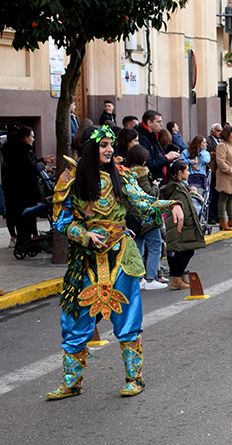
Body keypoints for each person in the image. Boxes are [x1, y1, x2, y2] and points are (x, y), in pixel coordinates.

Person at [46, 125, 183, 400]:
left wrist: (170, 204)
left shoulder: (121, 174)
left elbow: (143, 202)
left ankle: (135, 378)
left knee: (127, 317)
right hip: (85, 260)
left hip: (121, 255)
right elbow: (61, 220)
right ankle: (72, 383)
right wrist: (83, 235)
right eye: (103, 145)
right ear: (88, 149)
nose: (110, 150)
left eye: (111, 144)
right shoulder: (70, 179)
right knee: (74, 319)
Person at [1, 126, 55, 250]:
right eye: (32, 137)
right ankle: (23, 243)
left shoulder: (18, 150)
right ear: (25, 138)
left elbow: (30, 165)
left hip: (19, 190)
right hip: (22, 191)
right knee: (23, 217)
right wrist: (43, 163)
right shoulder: (21, 150)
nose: (33, 139)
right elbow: (31, 168)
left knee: (24, 216)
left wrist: (42, 161)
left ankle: (25, 242)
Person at [123, 145, 167, 290]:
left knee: (138, 249)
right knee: (155, 247)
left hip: (132, 219)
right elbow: (150, 195)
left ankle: (140, 278)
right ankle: (150, 279)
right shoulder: (142, 174)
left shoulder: (125, 174)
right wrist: (155, 186)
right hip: (146, 217)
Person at [160, 160, 206, 290]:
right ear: (180, 173)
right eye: (187, 170)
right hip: (182, 226)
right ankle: (176, 279)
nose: (189, 173)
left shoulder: (178, 186)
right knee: (187, 251)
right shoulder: (177, 189)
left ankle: (179, 277)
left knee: (183, 252)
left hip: (181, 226)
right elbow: (184, 209)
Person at [135, 110, 179, 181]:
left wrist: (169, 159)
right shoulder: (141, 138)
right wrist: (166, 158)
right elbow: (148, 164)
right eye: (158, 122)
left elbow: (157, 157)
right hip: (152, 183)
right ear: (149, 123)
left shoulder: (153, 135)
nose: (161, 124)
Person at [215, 125, 232, 231]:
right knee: (224, 198)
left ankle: (231, 220)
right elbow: (220, 160)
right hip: (226, 176)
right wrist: (228, 170)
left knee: (230, 199)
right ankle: (222, 220)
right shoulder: (222, 145)